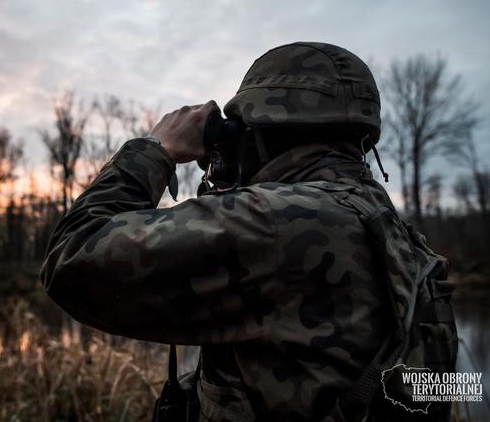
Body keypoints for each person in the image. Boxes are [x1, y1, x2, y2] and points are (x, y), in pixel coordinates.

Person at [40, 42, 456, 421]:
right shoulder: (382, 221)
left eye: (239, 129)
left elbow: (71, 256)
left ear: (263, 128)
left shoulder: (277, 222)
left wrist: (154, 150)